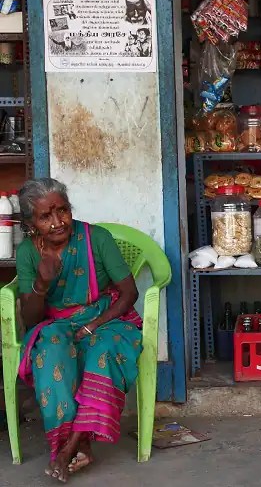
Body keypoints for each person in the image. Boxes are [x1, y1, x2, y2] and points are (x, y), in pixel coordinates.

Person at [15, 178, 143, 483]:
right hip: (57, 324)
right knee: (50, 351)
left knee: (103, 350)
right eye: (45, 216)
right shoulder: (28, 253)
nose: (58, 222)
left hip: (105, 319)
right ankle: (77, 445)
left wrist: (93, 325)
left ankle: (67, 451)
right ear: (31, 224)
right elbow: (31, 319)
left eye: (62, 210)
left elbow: (129, 293)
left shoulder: (97, 238)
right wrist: (41, 284)